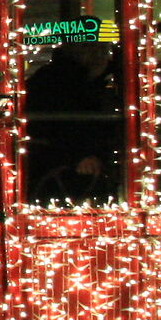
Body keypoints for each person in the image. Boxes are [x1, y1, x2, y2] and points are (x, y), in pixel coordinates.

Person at [25, 40, 124, 202]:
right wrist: (80, 156)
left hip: (62, 162)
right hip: (61, 165)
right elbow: (58, 126)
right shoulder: (63, 83)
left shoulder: (58, 77)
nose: (105, 58)